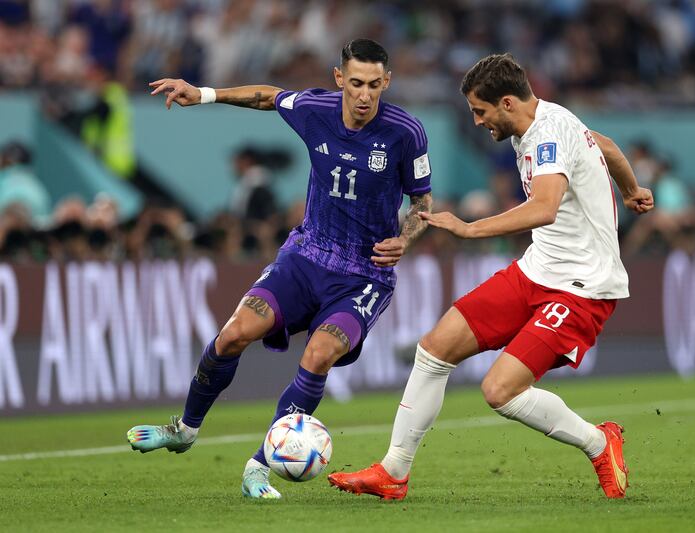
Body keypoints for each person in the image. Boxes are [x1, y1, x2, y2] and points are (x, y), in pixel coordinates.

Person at [328, 54, 653, 500]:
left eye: (480, 112)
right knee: (435, 347)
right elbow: (608, 147)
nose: (477, 121)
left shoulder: (547, 135)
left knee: (500, 390)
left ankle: (599, 442)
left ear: (506, 102)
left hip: (583, 287)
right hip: (537, 269)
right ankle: (394, 471)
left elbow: (544, 207)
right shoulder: (550, 119)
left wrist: (469, 228)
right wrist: (632, 190)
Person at [126, 39, 433, 500]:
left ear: (386, 82)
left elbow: (422, 204)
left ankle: (258, 467)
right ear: (339, 79)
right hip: (306, 255)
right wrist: (204, 94)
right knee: (233, 334)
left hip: (364, 274)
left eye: (374, 85)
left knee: (317, 356)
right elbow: (268, 96)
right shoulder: (315, 109)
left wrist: (406, 238)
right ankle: (185, 430)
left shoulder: (406, 132)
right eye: (355, 84)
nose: (365, 95)